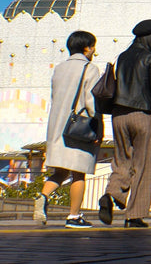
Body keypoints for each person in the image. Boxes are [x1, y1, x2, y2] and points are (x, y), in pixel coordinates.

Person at [99, 19, 151, 228]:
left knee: (122, 160)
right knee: (143, 165)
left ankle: (111, 194)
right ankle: (134, 215)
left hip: (119, 114)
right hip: (143, 115)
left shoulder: (123, 57)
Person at [35, 31, 103, 228]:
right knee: (78, 173)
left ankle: (43, 196)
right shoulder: (90, 68)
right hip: (79, 127)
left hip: (58, 126)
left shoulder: (60, 68)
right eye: (93, 46)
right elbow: (91, 101)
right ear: (86, 47)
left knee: (61, 171)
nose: (94, 50)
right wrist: (97, 126)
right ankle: (73, 216)